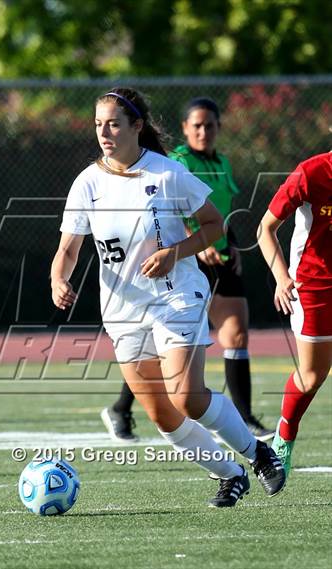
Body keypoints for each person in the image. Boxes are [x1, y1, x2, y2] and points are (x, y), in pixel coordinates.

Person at [51, 87, 285, 507]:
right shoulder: (87, 182)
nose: (104, 132)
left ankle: (257, 453)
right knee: (161, 415)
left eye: (114, 124)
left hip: (176, 295)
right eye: (99, 124)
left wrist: (173, 252)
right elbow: (68, 249)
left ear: (136, 126)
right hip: (123, 308)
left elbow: (213, 226)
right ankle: (228, 474)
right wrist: (58, 280)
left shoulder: (166, 173)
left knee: (186, 396)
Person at [102, 97, 274, 442]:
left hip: (221, 257)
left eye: (210, 125)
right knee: (158, 346)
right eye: (196, 125)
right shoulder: (175, 162)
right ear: (184, 128)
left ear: (218, 128)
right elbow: (166, 211)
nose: (203, 131)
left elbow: (219, 212)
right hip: (185, 260)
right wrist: (201, 243)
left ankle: (244, 417)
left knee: (237, 334)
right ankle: (122, 407)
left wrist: (231, 244)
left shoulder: (221, 162)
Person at [257, 152, 332, 477]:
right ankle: (285, 434)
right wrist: (282, 277)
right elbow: (265, 228)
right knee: (313, 375)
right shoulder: (311, 173)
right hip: (314, 284)